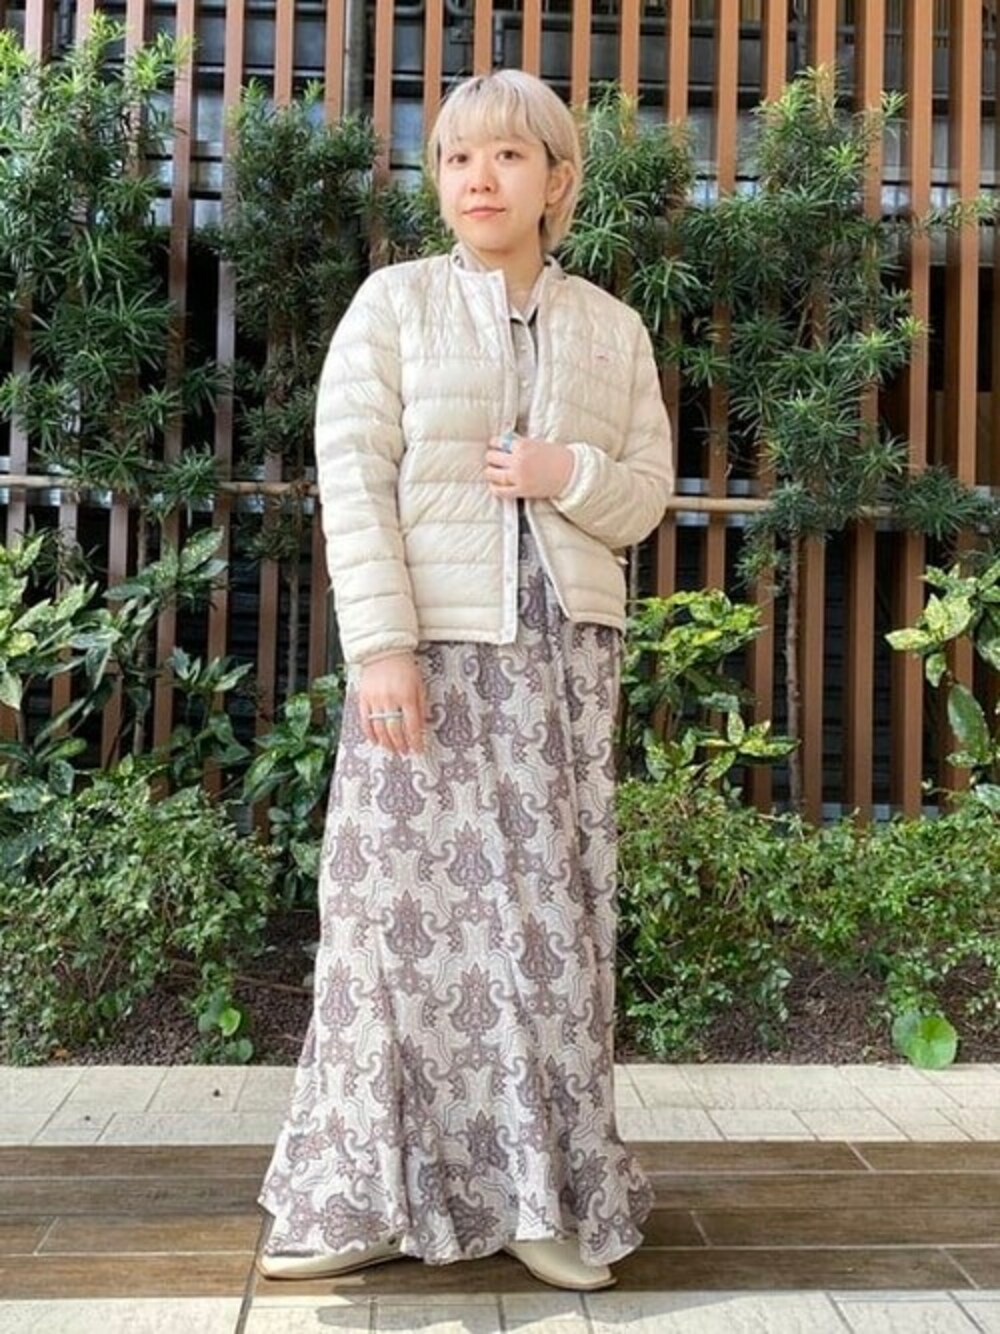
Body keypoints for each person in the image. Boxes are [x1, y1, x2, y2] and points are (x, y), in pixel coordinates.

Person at [257, 67, 674, 1294]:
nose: (477, 179)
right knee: (391, 931)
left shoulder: (611, 328)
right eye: (454, 158)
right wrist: (381, 647)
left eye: (505, 156)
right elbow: (352, 483)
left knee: (543, 929)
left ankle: (536, 1198)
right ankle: (370, 1195)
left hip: (561, 668)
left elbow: (644, 496)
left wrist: (565, 471)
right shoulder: (392, 306)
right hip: (426, 660)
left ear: (557, 179)